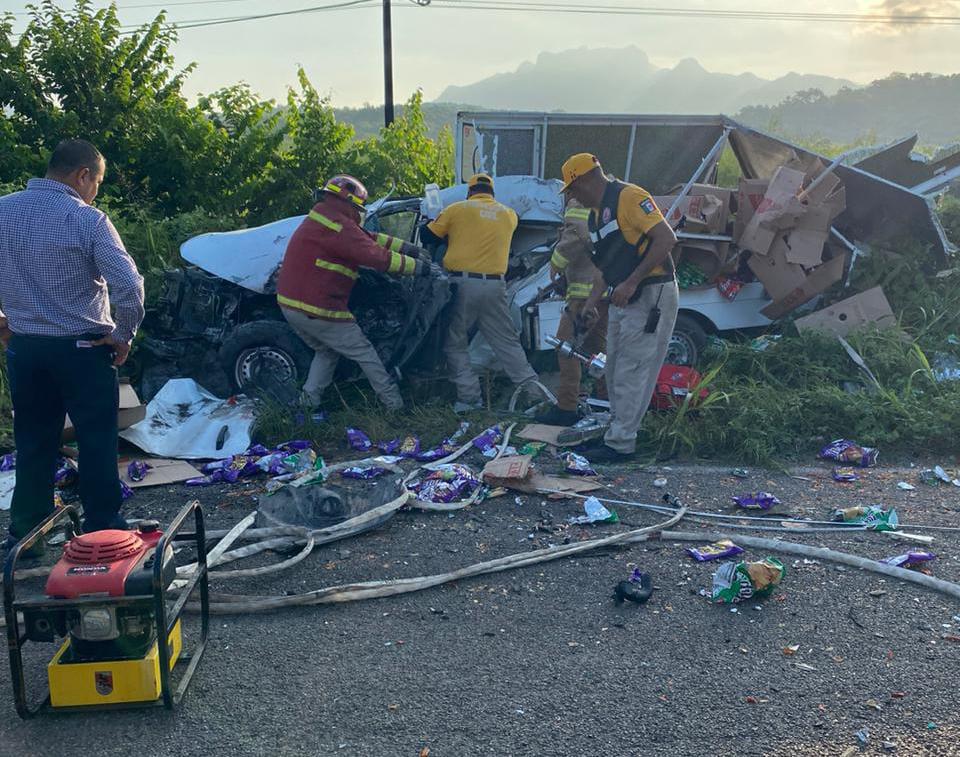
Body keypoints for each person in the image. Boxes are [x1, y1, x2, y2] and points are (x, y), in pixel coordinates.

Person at [0, 139, 145, 551]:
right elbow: (129, 287)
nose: (96, 190)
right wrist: (123, 334)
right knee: (96, 439)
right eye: (96, 181)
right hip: (82, 349)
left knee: (33, 442)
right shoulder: (88, 220)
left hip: (25, 350)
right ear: (83, 175)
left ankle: (26, 534)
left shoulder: (2, 211)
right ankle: (103, 530)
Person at [276, 174, 437, 414]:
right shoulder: (339, 226)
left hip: (291, 305)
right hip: (317, 307)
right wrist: (422, 268)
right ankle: (394, 405)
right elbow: (377, 256)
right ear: (350, 204)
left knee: (326, 350)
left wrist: (407, 248)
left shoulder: (325, 218)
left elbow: (367, 238)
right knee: (364, 351)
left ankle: (308, 403)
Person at [559, 153, 679, 462]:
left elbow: (666, 239)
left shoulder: (630, 197)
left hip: (650, 293)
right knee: (612, 369)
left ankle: (621, 444)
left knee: (632, 369)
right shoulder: (596, 215)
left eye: (572, 189)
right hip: (622, 296)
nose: (571, 196)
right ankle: (615, 432)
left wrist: (632, 282)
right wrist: (592, 302)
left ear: (586, 179)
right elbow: (604, 265)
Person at [421, 173, 538, 412]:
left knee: (455, 342)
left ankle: (469, 399)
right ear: (492, 193)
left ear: (470, 192)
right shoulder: (509, 215)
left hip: (462, 285)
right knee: (507, 343)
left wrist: (431, 218)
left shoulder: (457, 209)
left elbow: (427, 237)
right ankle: (534, 393)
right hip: (496, 287)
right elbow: (511, 220)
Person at [536, 196, 609, 426]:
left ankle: (567, 407)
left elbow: (574, 238)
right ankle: (606, 398)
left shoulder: (579, 204)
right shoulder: (605, 202)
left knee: (564, 347)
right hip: (602, 291)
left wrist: (555, 263)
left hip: (583, 293)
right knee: (597, 349)